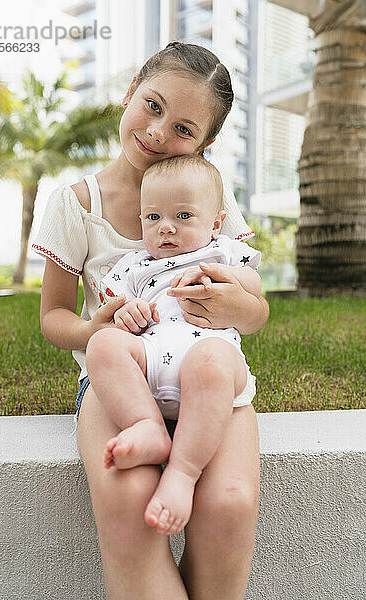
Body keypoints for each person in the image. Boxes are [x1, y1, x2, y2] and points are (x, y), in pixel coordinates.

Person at [33, 41, 269, 600]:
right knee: (129, 502)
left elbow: (255, 309)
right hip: (122, 377)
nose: (160, 132)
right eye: (154, 105)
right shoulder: (76, 203)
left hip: (208, 372)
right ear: (131, 90)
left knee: (230, 503)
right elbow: (53, 317)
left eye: (185, 128)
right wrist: (98, 330)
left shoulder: (206, 193)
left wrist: (238, 306)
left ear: (206, 144)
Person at [87, 153, 262, 538]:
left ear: (215, 223)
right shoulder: (135, 264)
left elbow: (254, 291)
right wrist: (126, 312)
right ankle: (146, 424)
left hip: (209, 366)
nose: (166, 228)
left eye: (183, 217)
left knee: (209, 361)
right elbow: (110, 304)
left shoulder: (223, 253)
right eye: (153, 218)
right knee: (102, 345)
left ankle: (182, 474)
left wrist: (228, 281)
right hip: (150, 363)